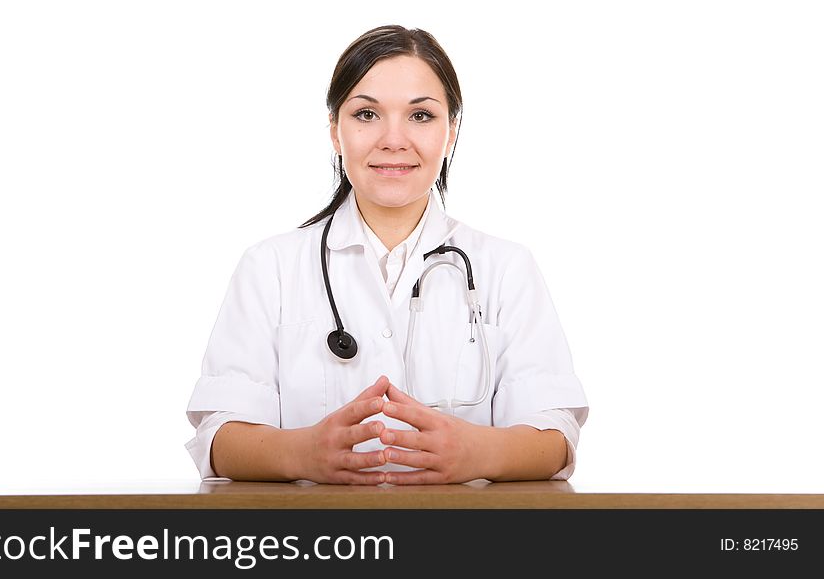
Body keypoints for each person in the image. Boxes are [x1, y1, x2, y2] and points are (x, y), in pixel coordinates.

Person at [184, 25, 588, 485]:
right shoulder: (269, 268)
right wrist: (302, 453)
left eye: (421, 116)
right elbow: (219, 436)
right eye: (366, 114)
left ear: (451, 132)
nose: (393, 139)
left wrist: (477, 453)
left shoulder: (506, 268)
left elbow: (555, 437)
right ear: (336, 131)